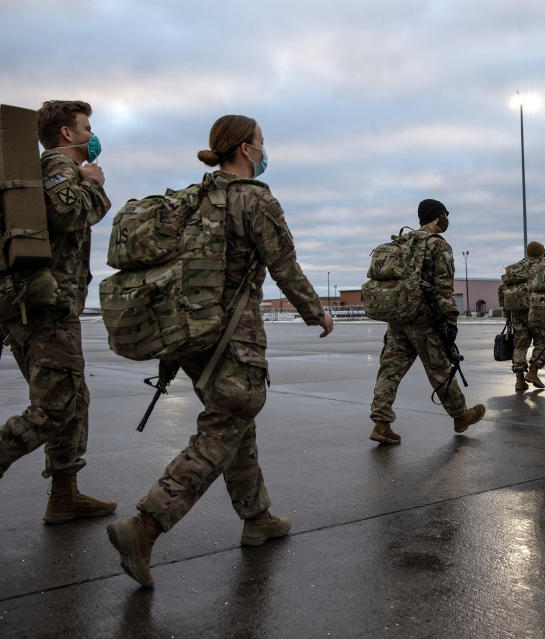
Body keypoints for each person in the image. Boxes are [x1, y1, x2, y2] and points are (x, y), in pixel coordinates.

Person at [106, 115, 334, 587]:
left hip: (191, 332)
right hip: (233, 334)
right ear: (246, 150)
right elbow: (283, 264)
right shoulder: (254, 198)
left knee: (236, 423)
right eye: (261, 144)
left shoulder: (195, 197)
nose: (265, 151)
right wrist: (317, 312)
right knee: (226, 424)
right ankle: (144, 527)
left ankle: (257, 517)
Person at [0, 100, 116, 545]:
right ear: (67, 134)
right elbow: (66, 211)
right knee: (55, 408)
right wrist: (94, 186)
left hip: (34, 305)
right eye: (86, 128)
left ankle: (64, 493)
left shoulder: (43, 167)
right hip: (46, 308)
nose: (92, 135)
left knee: (72, 401)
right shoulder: (58, 164)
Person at [368, 199, 485, 445]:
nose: (446, 219)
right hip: (423, 318)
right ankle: (460, 416)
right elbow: (444, 286)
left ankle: (381, 422)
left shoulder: (403, 242)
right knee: (440, 368)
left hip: (399, 316)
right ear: (436, 216)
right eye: (445, 214)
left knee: (390, 368)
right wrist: (450, 320)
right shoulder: (437, 245)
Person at [505, 241, 545, 391]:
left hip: (517, 312)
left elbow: (503, 290)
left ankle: (519, 380)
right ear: (541, 253)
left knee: (520, 345)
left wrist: (507, 314)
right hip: (538, 311)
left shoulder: (516, 267)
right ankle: (533, 371)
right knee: (543, 343)